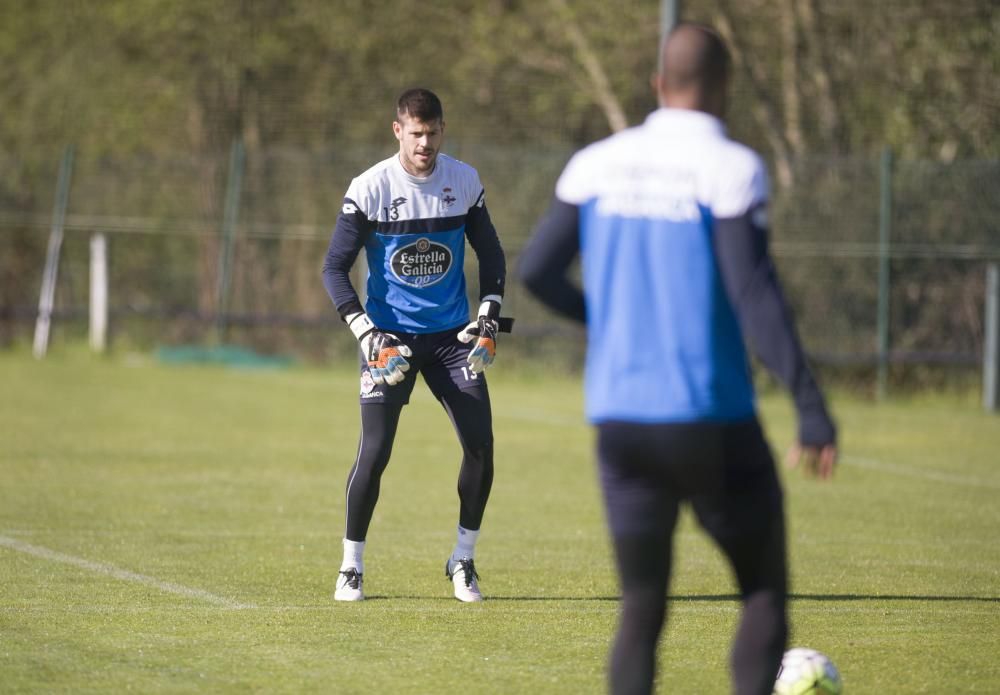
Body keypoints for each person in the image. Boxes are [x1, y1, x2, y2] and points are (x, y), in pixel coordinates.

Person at [519, 23, 837, 695]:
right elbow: (755, 294)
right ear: (723, 88)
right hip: (709, 420)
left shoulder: (595, 164)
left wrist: (603, 319)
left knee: (640, 609)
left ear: (659, 85)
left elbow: (538, 271)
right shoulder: (732, 168)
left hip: (621, 423)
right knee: (761, 594)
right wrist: (810, 406)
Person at [322, 87, 510, 603]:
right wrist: (366, 332)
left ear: (442, 130)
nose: (425, 143)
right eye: (416, 132)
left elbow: (491, 255)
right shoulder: (370, 187)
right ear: (397, 130)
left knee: (481, 447)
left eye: (433, 132)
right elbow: (333, 269)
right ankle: (351, 566)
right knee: (376, 451)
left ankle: (463, 559)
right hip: (389, 340)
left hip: (452, 339)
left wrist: (488, 315)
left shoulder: (464, 180)